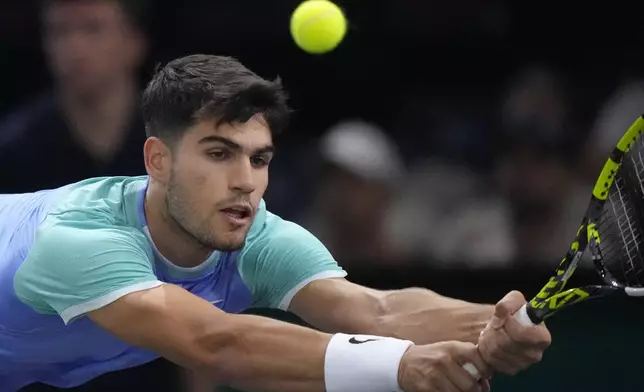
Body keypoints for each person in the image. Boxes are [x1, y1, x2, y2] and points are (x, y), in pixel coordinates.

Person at [0, 54, 551, 392]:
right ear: (157, 161)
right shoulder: (79, 239)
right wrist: (402, 367)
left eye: (258, 158)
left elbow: (373, 310)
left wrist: (497, 324)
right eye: (219, 155)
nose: (245, 180)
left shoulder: (253, 233)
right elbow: (217, 345)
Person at [0, 0, 148, 193]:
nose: (75, 48)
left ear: (134, 42)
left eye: (93, 29)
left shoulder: (172, 136)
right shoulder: (16, 148)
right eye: (60, 31)